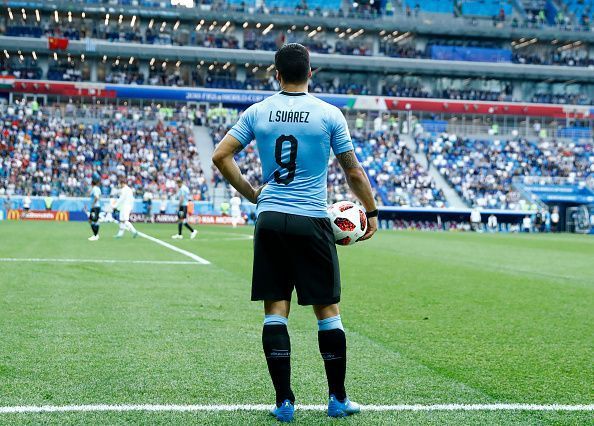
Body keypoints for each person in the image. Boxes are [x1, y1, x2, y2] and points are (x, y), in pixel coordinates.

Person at [212, 43, 378, 422]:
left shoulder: (258, 111)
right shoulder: (329, 114)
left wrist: (255, 194)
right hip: (310, 219)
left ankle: (284, 402)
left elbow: (221, 155)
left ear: (276, 72)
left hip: (270, 219)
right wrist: (371, 211)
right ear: (311, 73)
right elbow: (352, 171)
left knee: (275, 311)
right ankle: (337, 399)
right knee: (327, 312)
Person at [88, 176, 102, 241]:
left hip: (95, 207)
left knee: (94, 220)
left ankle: (95, 235)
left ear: (92, 183)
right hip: (96, 207)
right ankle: (96, 234)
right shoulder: (97, 188)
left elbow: (96, 197)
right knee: (91, 220)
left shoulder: (95, 189)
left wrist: (93, 204)